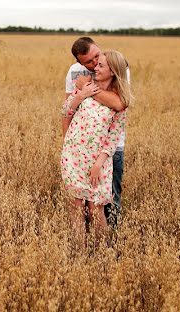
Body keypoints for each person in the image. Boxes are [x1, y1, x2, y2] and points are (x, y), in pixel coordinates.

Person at [61, 50, 133, 245]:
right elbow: (66, 110)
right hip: (74, 156)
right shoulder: (88, 88)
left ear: (113, 71)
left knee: (95, 207)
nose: (95, 68)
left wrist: (98, 164)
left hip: (97, 162)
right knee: (76, 206)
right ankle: (79, 253)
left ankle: (102, 253)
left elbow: (112, 138)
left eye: (101, 65)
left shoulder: (118, 101)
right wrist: (80, 95)